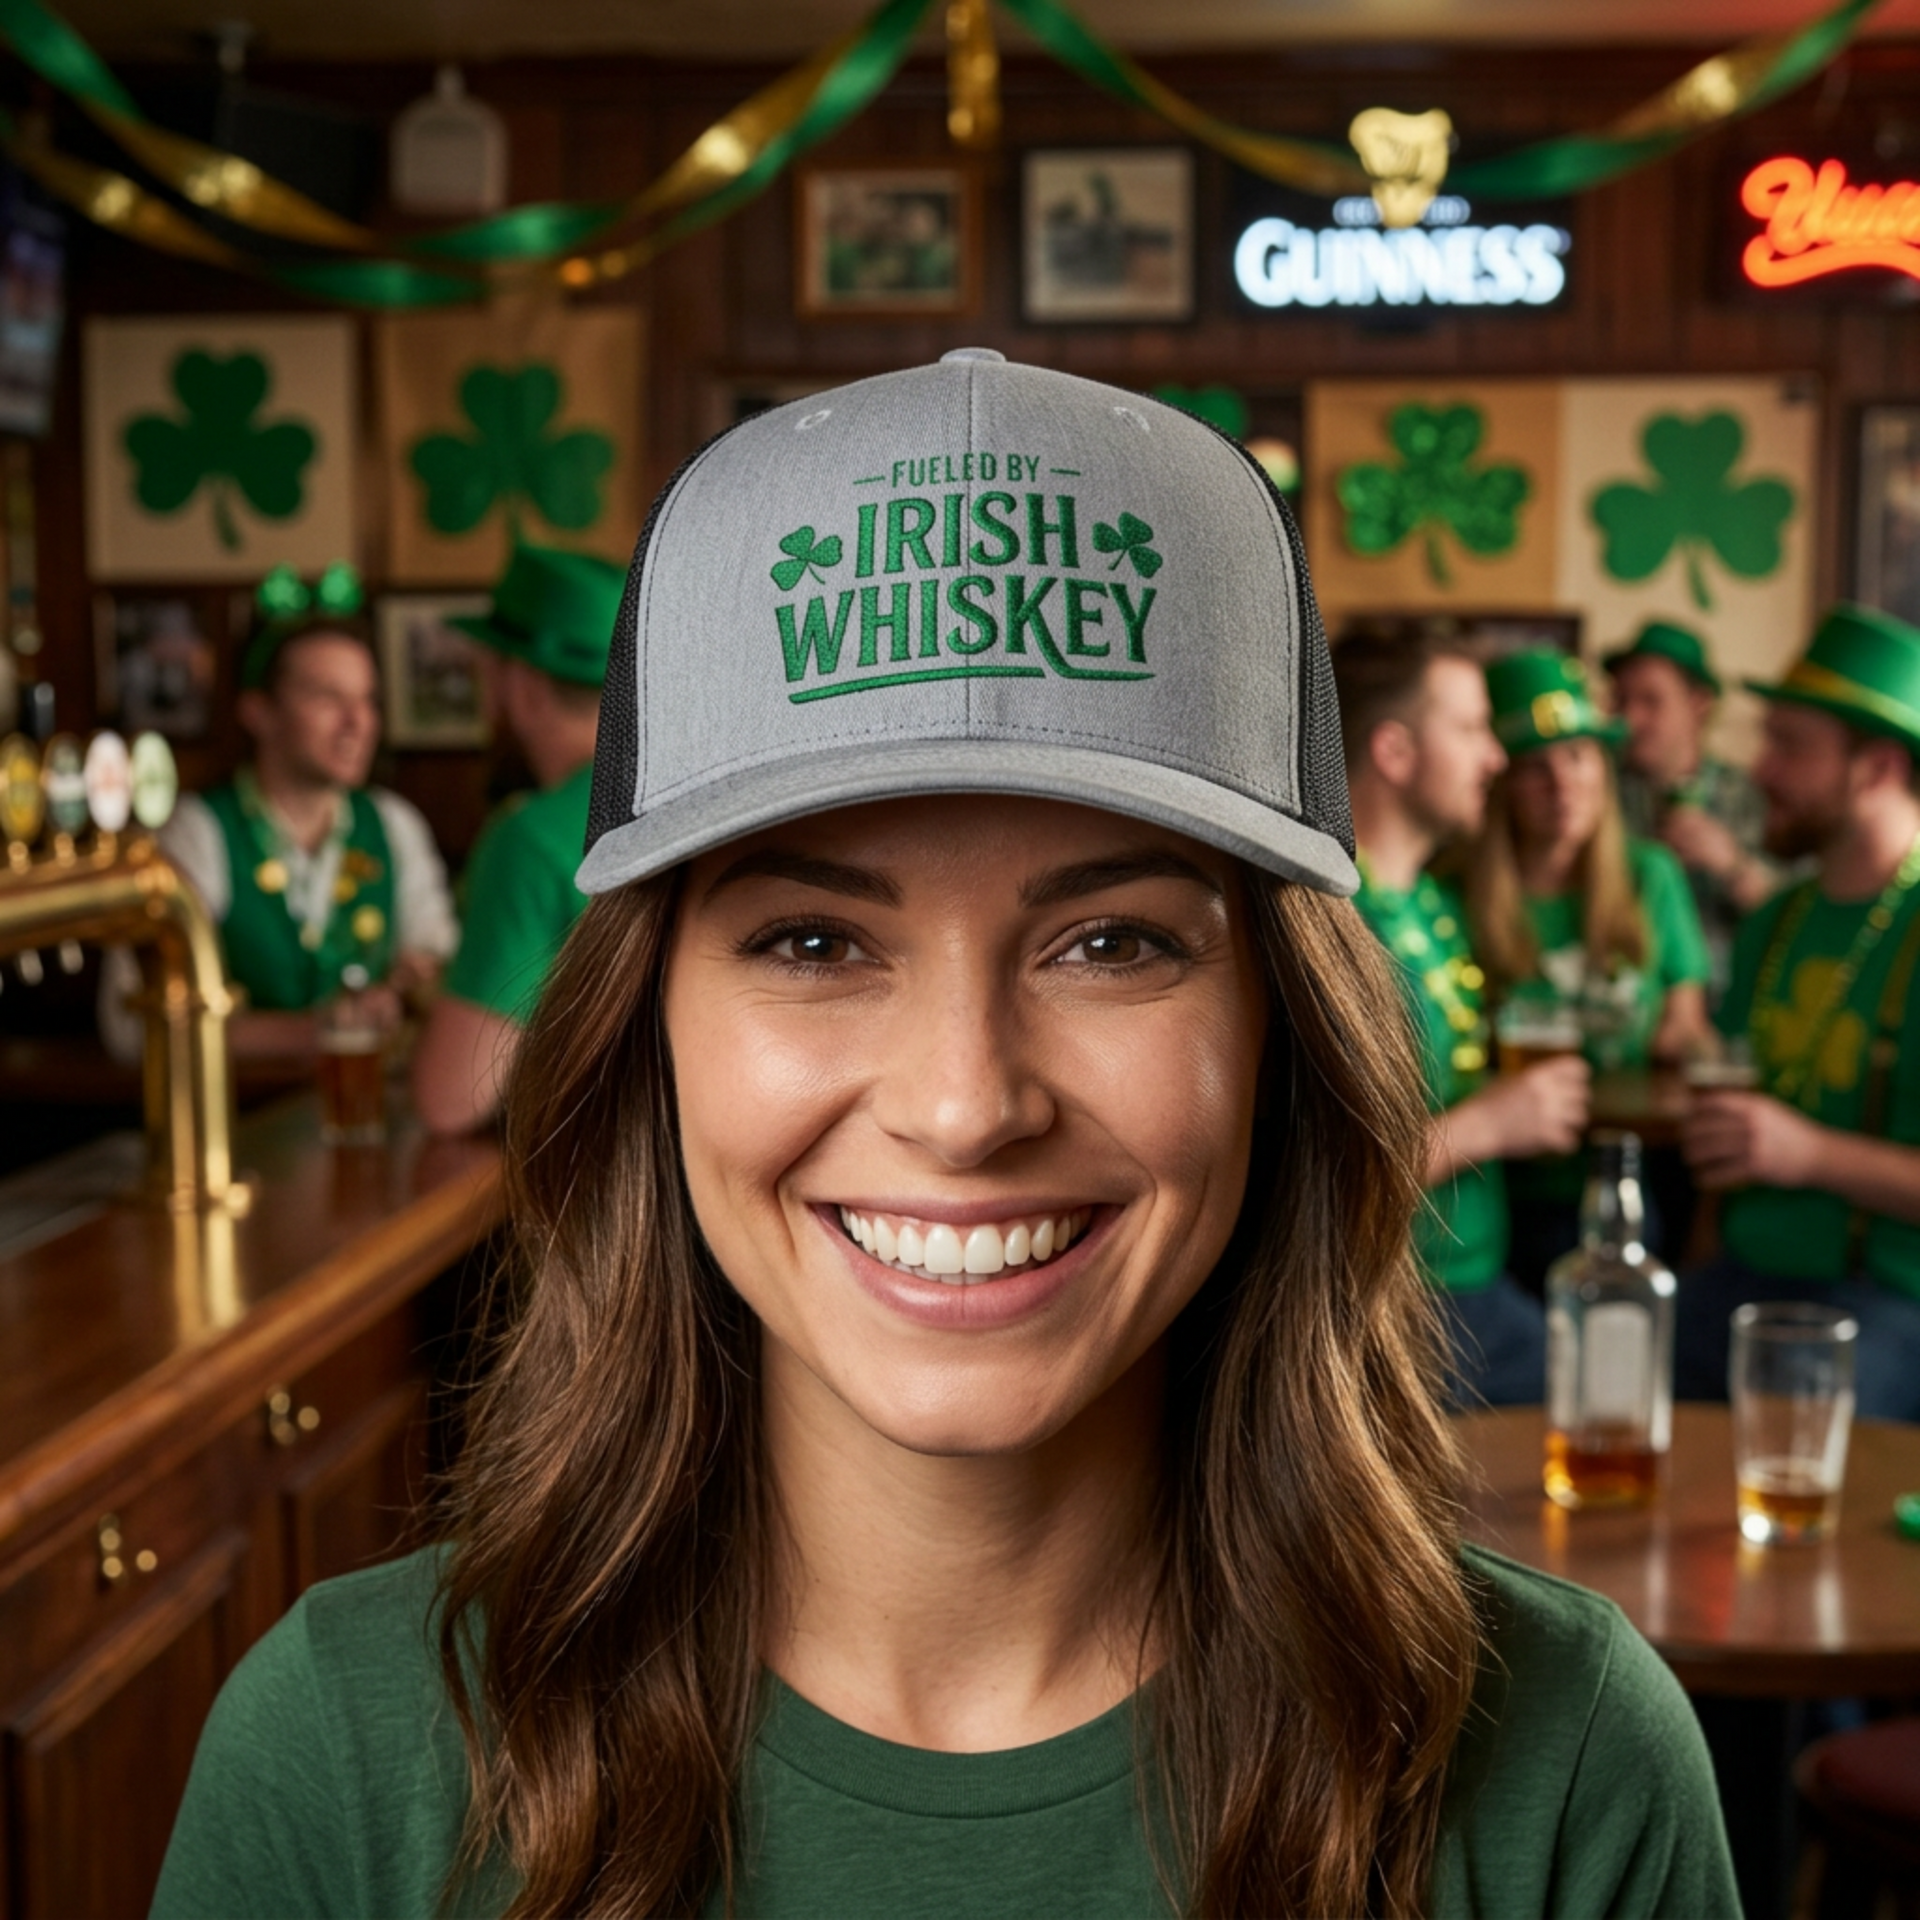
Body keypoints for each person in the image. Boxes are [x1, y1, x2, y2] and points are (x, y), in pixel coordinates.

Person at [154, 353, 1735, 1919]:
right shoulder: (343, 1761)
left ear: (1283, 1035)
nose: (966, 1107)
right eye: (814, 945)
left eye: (1113, 942)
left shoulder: (1571, 1772)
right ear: (647, 1037)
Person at [1336, 630, 1589, 1406]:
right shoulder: (1332, 923)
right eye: (1473, 729)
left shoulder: (1434, 903)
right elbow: (1319, 1178)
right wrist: (1494, 1124)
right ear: (1395, 751)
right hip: (1390, 1308)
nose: (1496, 758)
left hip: (1475, 1293)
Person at [1680, 603, 1920, 1419]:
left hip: (1882, 1305)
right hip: (1736, 1281)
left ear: (1877, 767)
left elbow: (1784, 1145)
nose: (1759, 769)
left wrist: (1809, 1154)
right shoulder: (1775, 921)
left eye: (1790, 745)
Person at [105, 567, 457, 1060]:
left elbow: (440, 968)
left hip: (373, 1114)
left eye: (367, 700)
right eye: (327, 697)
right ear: (258, 713)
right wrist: (313, 1032)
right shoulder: (197, 831)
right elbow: (130, 1029)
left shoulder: (394, 823)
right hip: (242, 1121)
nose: (358, 721)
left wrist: (416, 984)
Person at [1463, 649, 1711, 1285]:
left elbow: (1685, 1019)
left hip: (1625, 1173)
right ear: (1501, 783)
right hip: (1499, 1187)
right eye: (1535, 767)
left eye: (1578, 757)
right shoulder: (1457, 894)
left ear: (1603, 769)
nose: (1562, 783)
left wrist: (1689, 1045)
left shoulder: (1649, 875)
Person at [410, 543, 624, 1135]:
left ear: (522, 688)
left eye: (487, 678)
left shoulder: (528, 840)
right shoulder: (684, 800)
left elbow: (450, 1098)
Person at [1605, 620, 1779, 999]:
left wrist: (1732, 866)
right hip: (1627, 1010)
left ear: (1699, 704)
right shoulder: (1594, 794)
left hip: (1733, 1007)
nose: (1630, 719)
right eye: (1621, 700)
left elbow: (1798, 918)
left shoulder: (1757, 796)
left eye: (1651, 701)